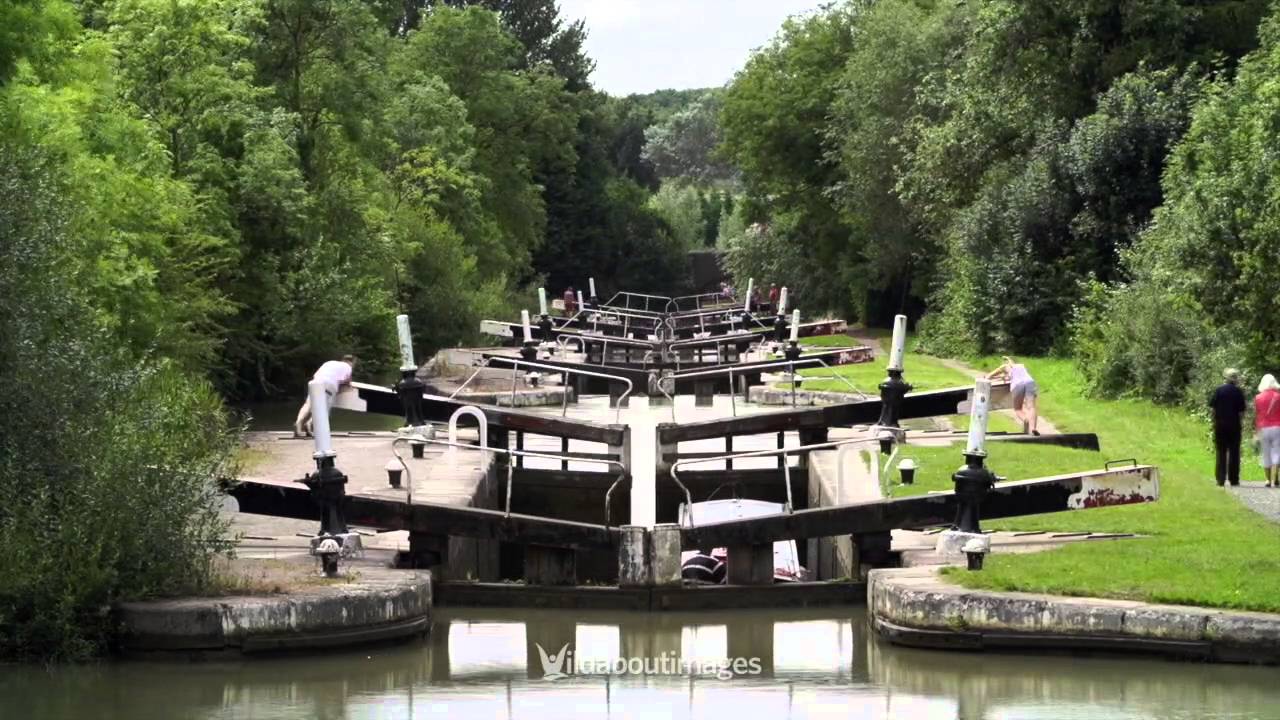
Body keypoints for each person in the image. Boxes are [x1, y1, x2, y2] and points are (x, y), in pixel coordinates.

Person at [294, 355, 356, 438]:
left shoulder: (329, 362)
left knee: (308, 404)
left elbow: (316, 374)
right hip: (329, 384)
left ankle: (298, 422)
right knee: (323, 409)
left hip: (315, 382)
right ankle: (309, 424)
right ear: (352, 362)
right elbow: (347, 382)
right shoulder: (348, 367)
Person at [1209, 368, 1247, 487]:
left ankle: (1220, 479)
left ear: (1225, 378)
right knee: (1234, 451)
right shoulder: (1238, 392)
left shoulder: (1219, 390)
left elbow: (1213, 408)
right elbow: (1241, 411)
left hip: (1220, 424)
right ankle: (1234, 479)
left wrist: (1214, 422)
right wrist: (1241, 422)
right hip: (1234, 424)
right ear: (1235, 379)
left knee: (1221, 451)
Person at [987, 356, 1039, 435]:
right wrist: (1002, 377)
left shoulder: (1004, 366)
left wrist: (992, 376)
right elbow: (1010, 377)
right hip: (1030, 382)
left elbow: (989, 376)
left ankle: (1026, 420)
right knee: (1031, 407)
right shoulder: (1022, 366)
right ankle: (1033, 428)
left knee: (1018, 409)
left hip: (1017, 384)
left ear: (1006, 362)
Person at [1255, 374, 1280, 488]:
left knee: (1266, 453)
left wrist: (1257, 430)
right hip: (1277, 427)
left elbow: (1258, 414)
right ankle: (1276, 478)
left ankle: (1267, 480)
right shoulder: (1278, 396)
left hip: (1263, 428)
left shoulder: (1258, 397)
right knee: (1277, 453)